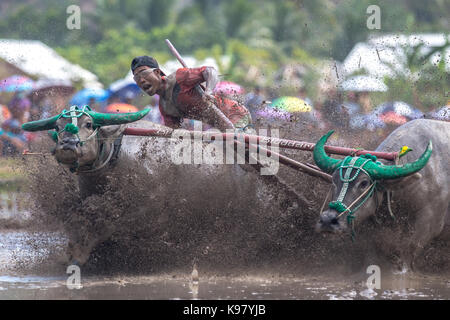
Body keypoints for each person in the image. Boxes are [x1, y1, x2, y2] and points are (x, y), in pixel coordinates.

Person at [131, 56, 252, 132]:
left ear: (157, 72)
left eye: (143, 73)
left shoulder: (179, 78)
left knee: (241, 153)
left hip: (236, 114)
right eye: (136, 77)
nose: (141, 80)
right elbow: (174, 133)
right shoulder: (164, 107)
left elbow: (210, 71)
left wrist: (209, 90)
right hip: (219, 127)